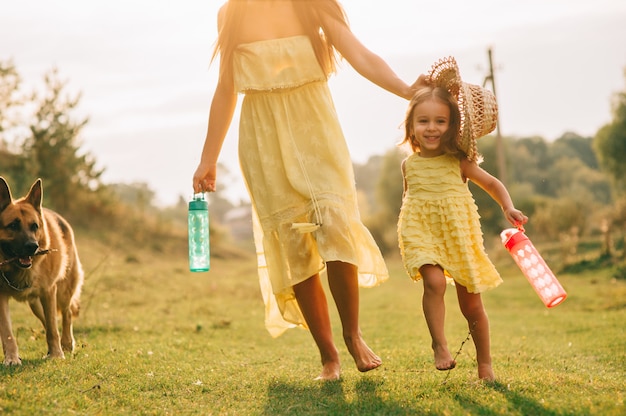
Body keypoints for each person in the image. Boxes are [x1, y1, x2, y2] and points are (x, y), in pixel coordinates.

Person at [192, 0, 425, 381]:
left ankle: (353, 335)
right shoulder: (229, 14)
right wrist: (208, 158)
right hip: (263, 139)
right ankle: (328, 356)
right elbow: (225, 89)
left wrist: (405, 90)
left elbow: (359, 53)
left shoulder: (311, 6)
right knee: (293, 245)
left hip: (315, 129)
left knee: (335, 225)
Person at [397, 56, 528, 381]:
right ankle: (439, 345)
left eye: (440, 121)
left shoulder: (459, 162)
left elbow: (492, 184)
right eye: (423, 121)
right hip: (421, 230)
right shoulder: (408, 165)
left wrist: (507, 207)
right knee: (434, 281)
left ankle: (485, 364)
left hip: (457, 233)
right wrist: (409, 233)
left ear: (452, 125)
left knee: (471, 307)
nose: (431, 128)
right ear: (411, 125)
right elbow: (408, 201)